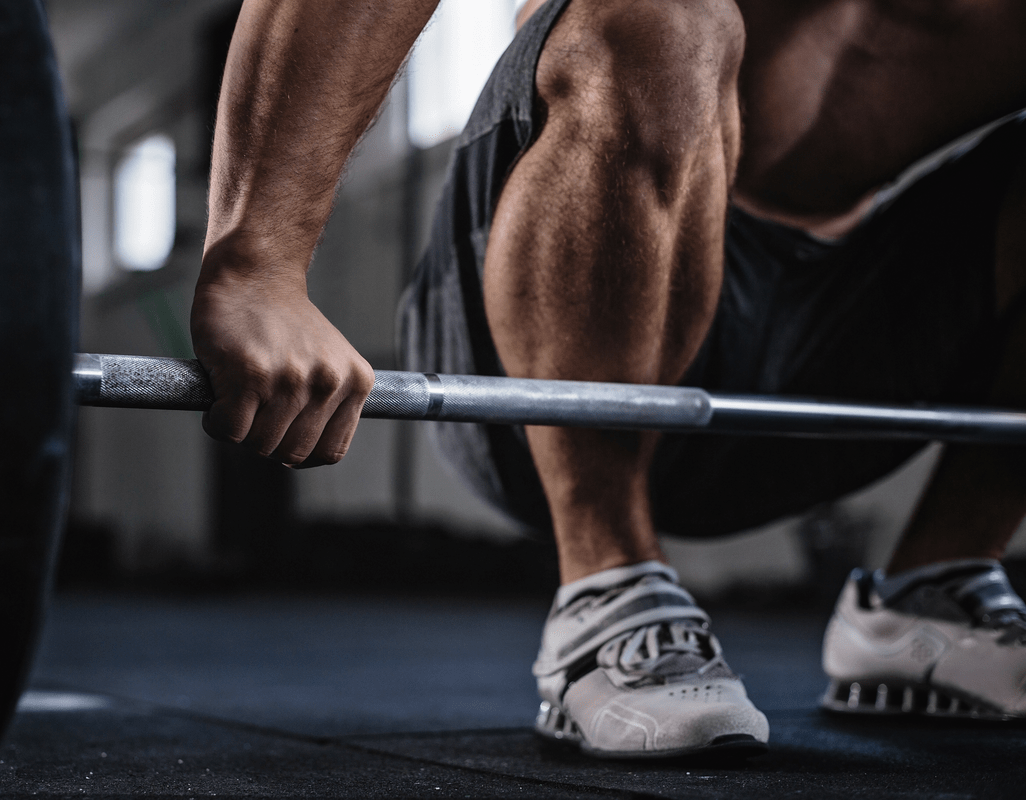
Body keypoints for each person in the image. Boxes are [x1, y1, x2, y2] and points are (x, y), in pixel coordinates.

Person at [192, 0, 1026, 758]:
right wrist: (257, 262)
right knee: (664, 18)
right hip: (538, 374)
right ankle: (604, 579)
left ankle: (936, 587)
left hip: (825, 380)